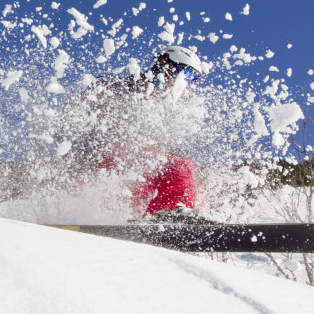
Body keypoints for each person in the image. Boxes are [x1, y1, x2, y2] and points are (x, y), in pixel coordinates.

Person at [55, 45, 204, 220]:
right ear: (166, 66)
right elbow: (72, 116)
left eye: (193, 79)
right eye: (186, 74)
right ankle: (171, 217)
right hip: (99, 160)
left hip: (125, 172)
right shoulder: (126, 86)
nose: (186, 85)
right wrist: (76, 157)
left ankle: (165, 235)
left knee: (191, 191)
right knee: (180, 167)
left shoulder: (166, 113)